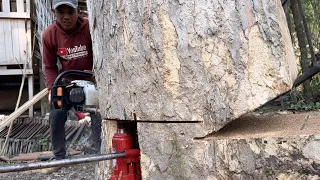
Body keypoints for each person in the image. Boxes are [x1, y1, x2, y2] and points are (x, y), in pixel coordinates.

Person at [42, 0, 97, 174]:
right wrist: (52, 89)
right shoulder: (49, 35)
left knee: (98, 111)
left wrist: (97, 76)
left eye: (70, 12)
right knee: (56, 112)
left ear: (77, 11)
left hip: (91, 78)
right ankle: (60, 158)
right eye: (61, 12)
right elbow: (50, 67)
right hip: (66, 80)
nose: (66, 17)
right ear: (54, 12)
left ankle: (99, 151)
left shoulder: (90, 27)